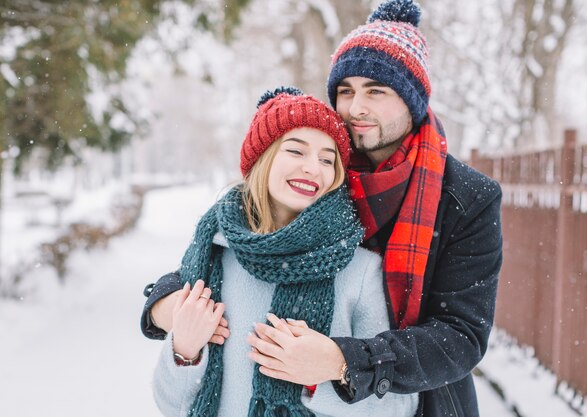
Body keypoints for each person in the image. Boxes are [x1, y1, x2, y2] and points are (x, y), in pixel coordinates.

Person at [143, 0, 503, 416]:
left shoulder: (466, 198)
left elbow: (461, 336)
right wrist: (165, 307)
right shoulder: (321, 170)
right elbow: (245, 243)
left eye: (376, 91)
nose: (356, 107)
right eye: (346, 91)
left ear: (413, 100)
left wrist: (340, 362)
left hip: (420, 399)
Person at [149, 87, 419, 417]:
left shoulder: (359, 270)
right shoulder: (213, 254)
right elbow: (170, 405)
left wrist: (328, 372)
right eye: (296, 151)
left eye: (326, 159)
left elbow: (399, 407)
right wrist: (185, 351)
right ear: (263, 158)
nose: (312, 168)